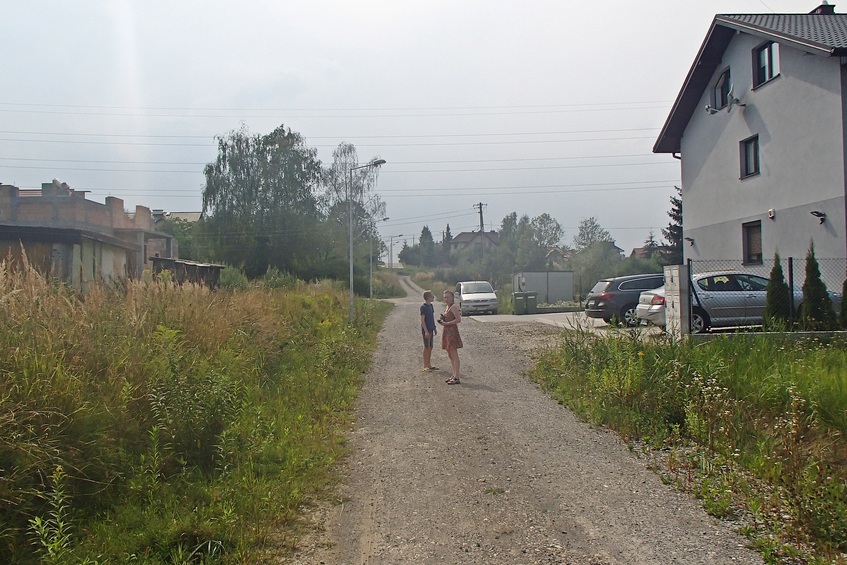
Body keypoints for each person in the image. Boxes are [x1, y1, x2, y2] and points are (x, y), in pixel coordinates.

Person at [438, 289, 463, 384]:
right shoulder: (447, 307)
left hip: (452, 331)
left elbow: (458, 319)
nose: (446, 299)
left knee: (454, 354)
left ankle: (456, 377)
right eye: (445, 297)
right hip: (447, 331)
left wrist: (447, 323)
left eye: (448, 297)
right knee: (450, 354)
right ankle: (454, 374)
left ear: (452, 297)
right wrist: (443, 319)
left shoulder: (453, 307)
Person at [420, 290, 439, 372]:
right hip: (426, 330)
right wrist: (426, 331)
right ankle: (425, 365)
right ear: (427, 298)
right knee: (426, 347)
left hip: (431, 328)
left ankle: (429, 364)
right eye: (432, 296)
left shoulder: (431, 306)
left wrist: (434, 328)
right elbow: (422, 320)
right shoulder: (423, 307)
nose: (433, 297)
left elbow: (432, 318)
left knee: (430, 347)